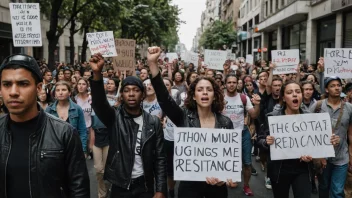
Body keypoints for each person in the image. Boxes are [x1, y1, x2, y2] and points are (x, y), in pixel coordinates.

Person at [147, 46, 237, 198]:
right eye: (200, 89)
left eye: (208, 90)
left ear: (214, 96)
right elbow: (164, 98)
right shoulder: (183, 117)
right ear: (194, 96)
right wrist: (152, 64)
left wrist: (228, 178)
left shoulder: (225, 123)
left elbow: (231, 157)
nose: (204, 93)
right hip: (189, 187)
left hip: (217, 188)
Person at [0, 54, 90, 197]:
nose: (13, 92)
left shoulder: (64, 133)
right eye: (7, 84)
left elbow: (78, 189)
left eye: (23, 84)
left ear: (39, 88)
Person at [89, 53, 167, 198]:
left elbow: (160, 158)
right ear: (122, 95)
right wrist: (97, 73)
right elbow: (99, 103)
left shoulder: (153, 122)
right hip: (120, 185)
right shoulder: (114, 117)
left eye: (136, 90)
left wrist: (160, 189)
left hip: (144, 185)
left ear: (142, 95)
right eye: (127, 90)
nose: (131, 94)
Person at [258, 80, 340, 198]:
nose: (295, 95)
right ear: (284, 98)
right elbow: (259, 140)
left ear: (301, 95)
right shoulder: (272, 118)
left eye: (297, 92)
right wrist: (266, 141)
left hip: (303, 169)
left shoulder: (311, 119)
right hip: (280, 170)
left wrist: (331, 142)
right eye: (290, 92)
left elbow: (318, 142)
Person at [310, 75, 352, 198]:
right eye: (332, 86)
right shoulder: (318, 106)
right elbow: (309, 131)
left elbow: (350, 134)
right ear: (327, 89)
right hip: (323, 159)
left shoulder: (349, 108)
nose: (337, 88)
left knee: (338, 191)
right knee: (323, 187)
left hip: (341, 158)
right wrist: (318, 155)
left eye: (338, 85)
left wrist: (350, 155)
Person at [223, 73, 261, 196]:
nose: (232, 84)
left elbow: (254, 115)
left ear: (238, 83)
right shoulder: (220, 97)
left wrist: (257, 104)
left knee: (247, 162)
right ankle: (223, 182)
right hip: (225, 135)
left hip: (242, 133)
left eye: (234, 82)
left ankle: (246, 185)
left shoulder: (244, 98)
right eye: (229, 82)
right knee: (224, 160)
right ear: (225, 84)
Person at [46, 81, 88, 156]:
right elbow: (46, 131)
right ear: (55, 93)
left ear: (69, 93)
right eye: (58, 90)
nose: (60, 92)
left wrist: (83, 149)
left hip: (73, 147)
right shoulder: (49, 109)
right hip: (54, 148)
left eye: (64, 90)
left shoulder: (77, 109)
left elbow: (82, 130)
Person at [75, 78, 94, 158]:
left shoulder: (91, 98)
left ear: (87, 86)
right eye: (79, 84)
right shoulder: (74, 99)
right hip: (77, 130)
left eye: (83, 84)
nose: (81, 86)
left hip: (90, 129)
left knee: (89, 152)